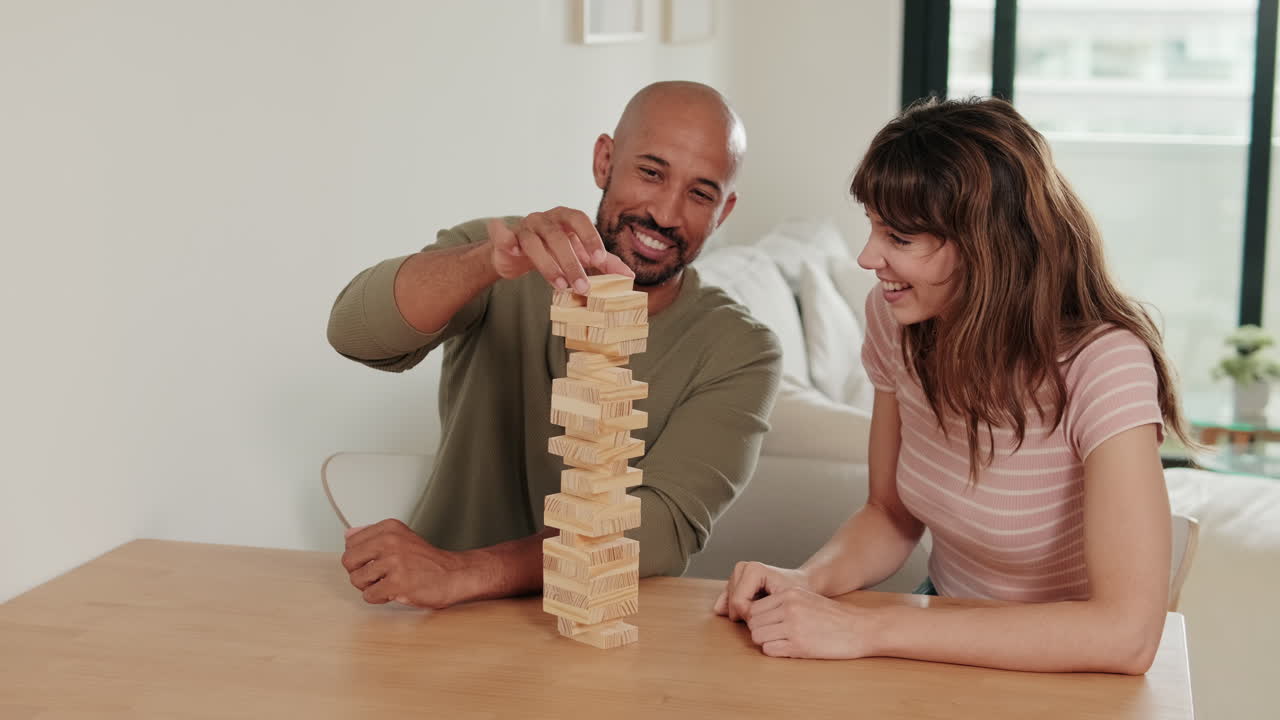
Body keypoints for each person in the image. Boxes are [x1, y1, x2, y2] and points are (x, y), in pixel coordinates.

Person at [715, 97, 1193, 675]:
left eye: (899, 238)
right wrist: (804, 581)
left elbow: (1126, 636)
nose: (868, 257)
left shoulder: (1105, 364)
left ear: (986, 248)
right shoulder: (896, 322)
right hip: (938, 631)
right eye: (872, 227)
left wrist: (867, 628)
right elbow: (889, 513)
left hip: (1068, 667)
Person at [327, 81, 781, 610]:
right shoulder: (500, 257)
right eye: (651, 173)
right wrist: (488, 265)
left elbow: (663, 525)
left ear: (723, 212)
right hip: (436, 619)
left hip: (596, 625)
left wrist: (466, 571)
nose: (665, 213)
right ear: (604, 161)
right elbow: (353, 334)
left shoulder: (741, 349)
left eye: (700, 194)